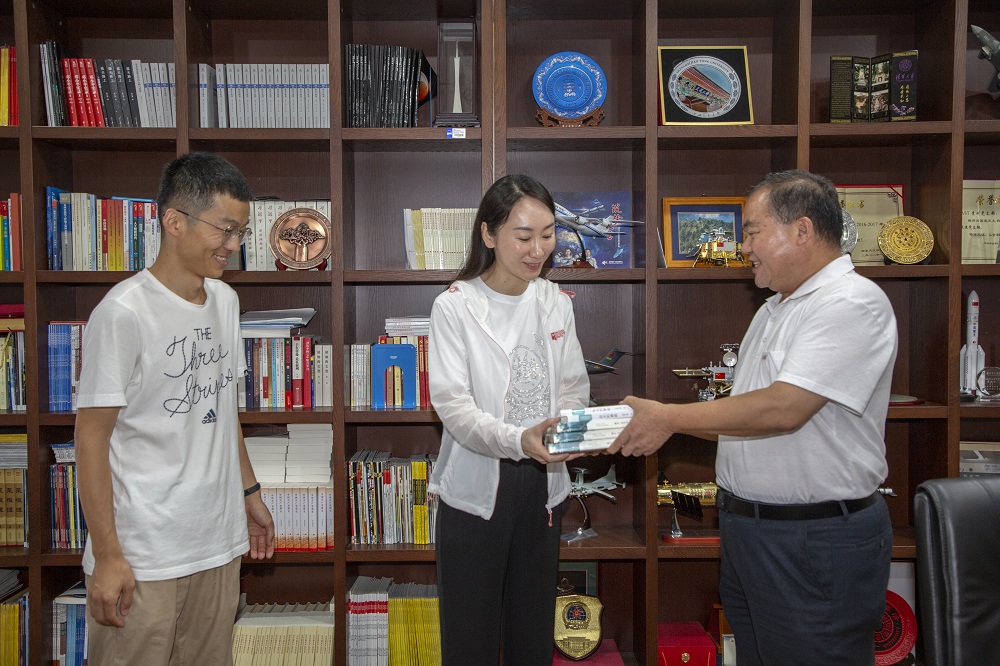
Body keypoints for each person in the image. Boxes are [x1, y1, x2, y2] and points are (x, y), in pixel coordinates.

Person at [609, 170, 898, 665]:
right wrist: (661, 423)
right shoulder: (773, 310)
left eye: (752, 232)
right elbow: (743, 418)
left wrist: (668, 417)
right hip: (753, 534)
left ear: (802, 230)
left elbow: (784, 409)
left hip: (814, 540)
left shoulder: (851, 303)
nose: (743, 247)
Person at [76, 152, 275, 665]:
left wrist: (249, 492)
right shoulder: (122, 313)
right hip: (144, 558)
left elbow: (221, 409)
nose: (234, 245)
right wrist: (108, 555)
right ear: (174, 221)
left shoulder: (225, 301)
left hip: (217, 546)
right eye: (225, 230)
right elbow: (90, 439)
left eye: (241, 232)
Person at [428, 174, 590, 664]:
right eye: (523, 237)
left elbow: (574, 386)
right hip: (476, 492)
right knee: (469, 641)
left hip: (542, 489)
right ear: (488, 234)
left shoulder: (555, 302)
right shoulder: (455, 306)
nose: (538, 250)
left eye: (548, 234)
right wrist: (520, 439)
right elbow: (454, 408)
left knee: (531, 637)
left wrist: (573, 430)